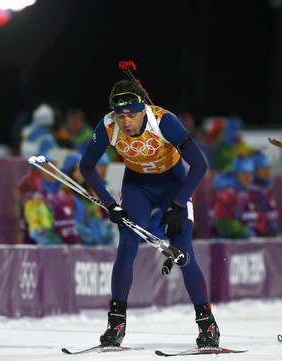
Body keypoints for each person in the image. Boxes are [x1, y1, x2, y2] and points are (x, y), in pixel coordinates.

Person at [78, 79, 218, 348]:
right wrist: (110, 204)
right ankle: (116, 324)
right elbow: (86, 166)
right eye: (120, 116)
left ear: (143, 109)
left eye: (131, 114)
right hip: (138, 187)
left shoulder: (165, 121)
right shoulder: (108, 125)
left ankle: (208, 325)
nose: (125, 122)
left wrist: (178, 204)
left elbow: (200, 166)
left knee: (182, 250)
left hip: (173, 185)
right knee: (127, 246)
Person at [19, 154, 80, 245]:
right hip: (45, 253)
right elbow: (37, 231)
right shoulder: (34, 198)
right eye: (47, 167)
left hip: (70, 250)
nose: (53, 170)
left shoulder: (62, 193)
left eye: (54, 166)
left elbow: (70, 222)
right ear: (37, 172)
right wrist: (58, 247)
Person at [61, 152, 114, 246]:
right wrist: (83, 233)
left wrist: (102, 229)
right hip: (77, 244)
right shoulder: (65, 194)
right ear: (70, 172)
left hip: (93, 243)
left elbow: (95, 215)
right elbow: (66, 221)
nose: (82, 173)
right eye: (78, 170)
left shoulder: (84, 194)